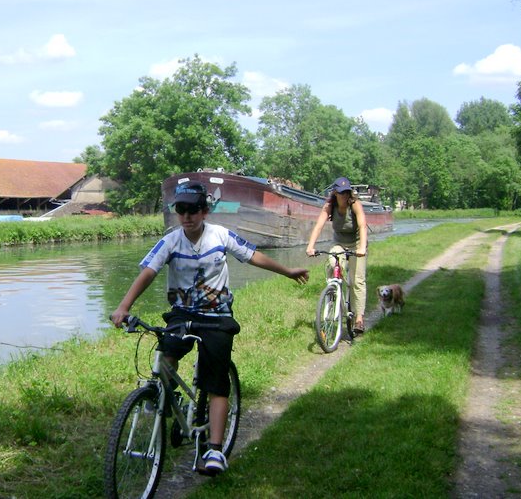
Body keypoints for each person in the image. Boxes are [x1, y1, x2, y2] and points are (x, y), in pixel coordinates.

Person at [111, 181, 309, 476]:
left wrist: (288, 271)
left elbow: (252, 255)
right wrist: (124, 306)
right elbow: (149, 272)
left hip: (217, 317)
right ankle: (166, 396)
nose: (186, 216)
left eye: (193, 210)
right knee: (166, 354)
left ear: (204, 211)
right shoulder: (170, 241)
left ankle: (215, 449)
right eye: (181, 209)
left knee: (215, 380)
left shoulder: (220, 235)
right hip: (182, 314)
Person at [305, 176, 368, 334]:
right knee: (333, 264)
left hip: (356, 244)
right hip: (339, 243)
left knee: (357, 281)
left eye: (346, 192)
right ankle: (334, 289)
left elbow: (362, 225)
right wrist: (311, 246)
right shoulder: (329, 206)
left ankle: (359, 319)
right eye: (341, 193)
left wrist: (362, 248)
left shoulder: (355, 205)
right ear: (335, 193)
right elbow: (318, 226)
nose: (344, 195)